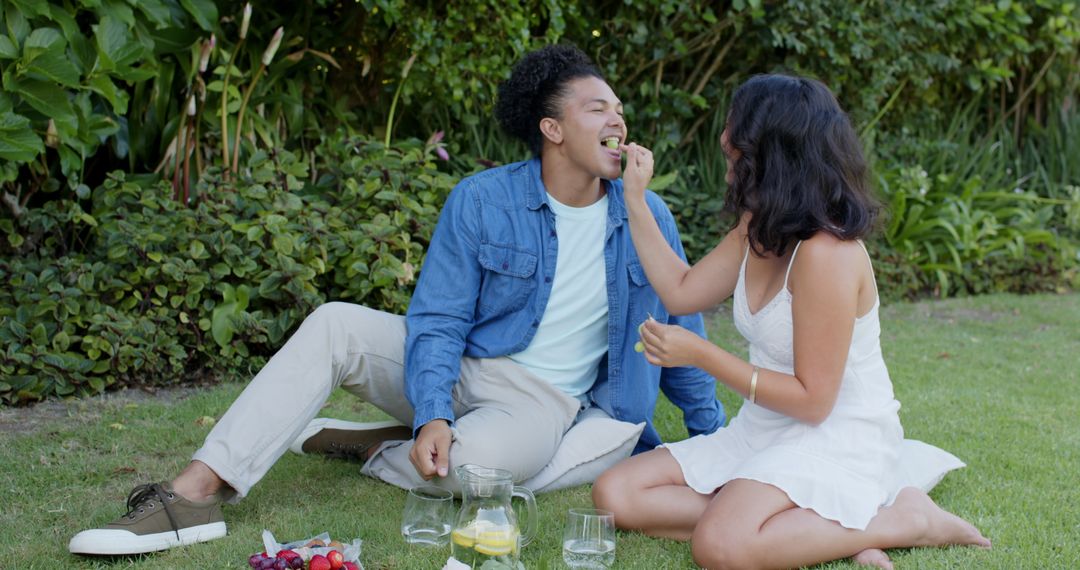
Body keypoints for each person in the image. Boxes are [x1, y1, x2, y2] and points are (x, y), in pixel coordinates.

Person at [68, 44, 725, 556]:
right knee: (335, 324)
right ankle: (191, 497)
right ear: (552, 128)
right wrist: (435, 408)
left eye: (618, 109)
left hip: (542, 402)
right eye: (596, 108)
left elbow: (681, 326)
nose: (617, 119)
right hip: (467, 367)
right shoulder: (483, 199)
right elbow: (437, 319)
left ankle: (378, 446)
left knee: (474, 476)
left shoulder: (646, 215)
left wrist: (715, 447)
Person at [592, 74, 991, 570]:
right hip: (766, 426)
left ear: (772, 158)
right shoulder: (757, 225)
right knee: (616, 493)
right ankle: (819, 526)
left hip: (836, 434)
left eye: (735, 150)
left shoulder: (829, 255)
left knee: (720, 547)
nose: (725, 148)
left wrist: (701, 355)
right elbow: (680, 289)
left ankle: (904, 518)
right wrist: (634, 199)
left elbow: (814, 401)